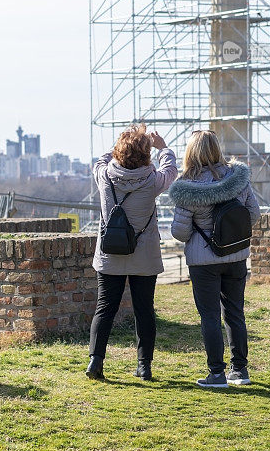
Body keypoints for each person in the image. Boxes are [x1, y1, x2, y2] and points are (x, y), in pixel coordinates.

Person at [169, 130, 260, 388]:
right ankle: (240, 371)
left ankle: (216, 374)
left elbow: (179, 232)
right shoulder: (238, 178)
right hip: (235, 255)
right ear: (216, 149)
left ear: (190, 153)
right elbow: (253, 214)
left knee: (209, 316)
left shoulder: (188, 187)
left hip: (203, 261)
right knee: (235, 313)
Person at [86, 124, 177, 382]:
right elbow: (171, 170)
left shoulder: (104, 176)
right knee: (144, 310)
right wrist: (163, 147)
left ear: (118, 151)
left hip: (110, 254)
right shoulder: (152, 180)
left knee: (105, 308)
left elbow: (101, 160)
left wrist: (122, 143)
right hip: (144, 254)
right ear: (146, 154)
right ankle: (144, 366)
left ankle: (96, 361)